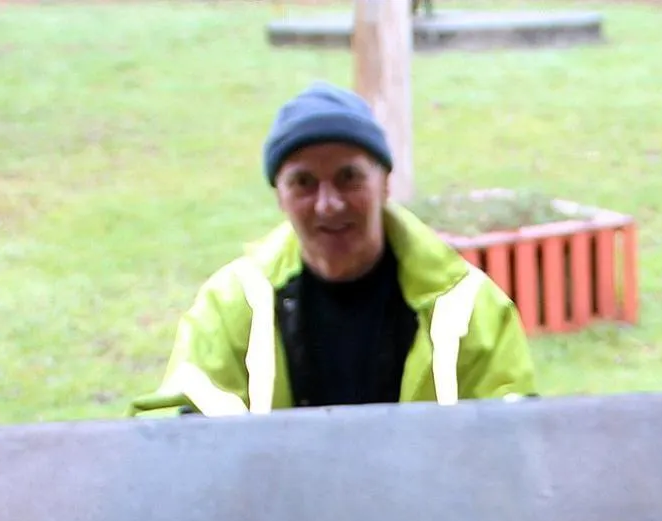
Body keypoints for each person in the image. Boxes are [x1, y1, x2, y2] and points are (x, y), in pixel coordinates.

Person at [130, 83, 537, 418]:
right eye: (304, 183)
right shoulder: (233, 305)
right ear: (280, 197)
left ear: (385, 184)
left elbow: (516, 442)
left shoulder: (468, 308)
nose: (329, 204)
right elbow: (172, 441)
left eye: (349, 178)